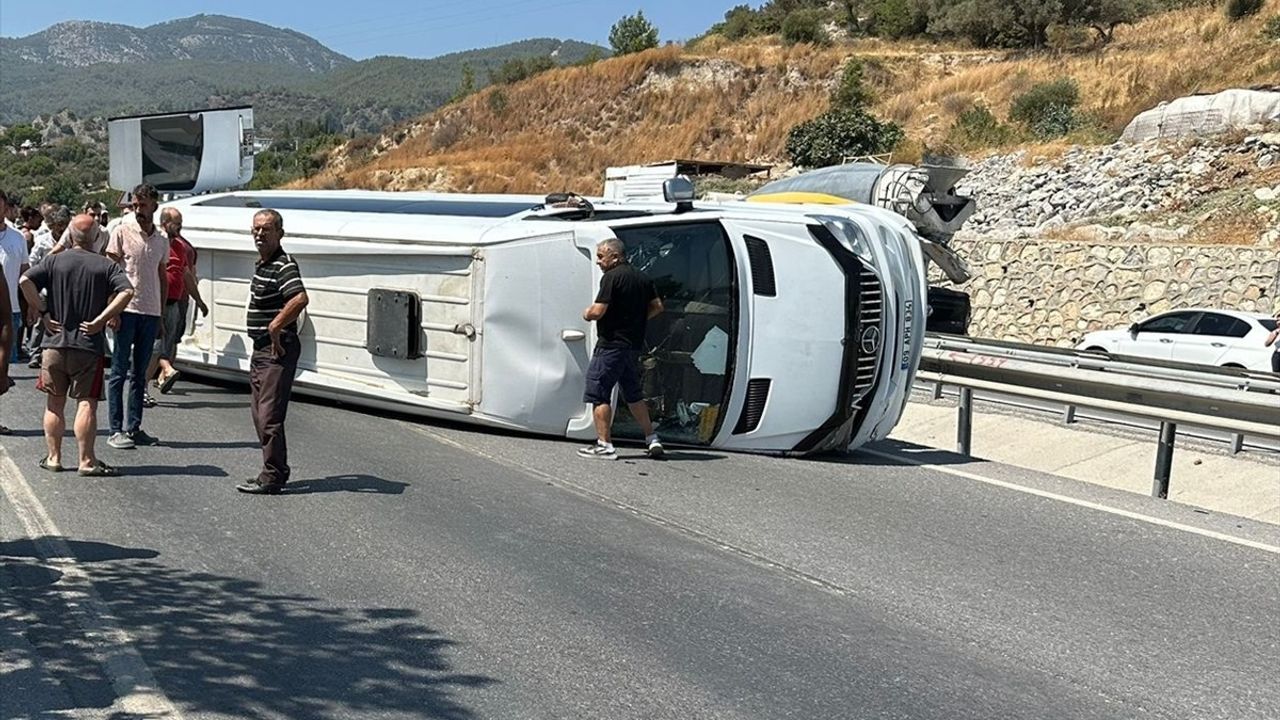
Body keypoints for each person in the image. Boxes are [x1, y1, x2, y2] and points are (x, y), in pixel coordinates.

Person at [20, 214, 134, 476]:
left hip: (54, 344)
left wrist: (43, 312)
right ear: (96, 237)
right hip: (87, 346)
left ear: (70, 235)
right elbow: (127, 291)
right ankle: (86, 461)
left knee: (54, 402)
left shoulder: (54, 261)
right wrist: (101, 320)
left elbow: (25, 280)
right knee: (86, 403)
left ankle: (54, 457)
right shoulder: (105, 266)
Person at [237, 209, 309, 495]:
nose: (259, 234)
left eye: (266, 229)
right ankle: (274, 469)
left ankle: (273, 475)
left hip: (276, 349)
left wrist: (275, 326)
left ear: (280, 233)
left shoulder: (283, 264)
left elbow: (299, 298)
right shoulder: (263, 264)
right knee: (258, 413)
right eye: (256, 229)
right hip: (260, 350)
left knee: (269, 415)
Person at [577, 238, 664, 460]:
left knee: (599, 392)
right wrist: (637, 321)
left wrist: (587, 313)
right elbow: (657, 307)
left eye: (600, 256)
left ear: (615, 256)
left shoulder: (611, 277)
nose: (598, 261)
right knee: (633, 393)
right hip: (632, 345)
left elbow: (598, 311)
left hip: (611, 344)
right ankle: (651, 437)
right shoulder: (643, 278)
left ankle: (604, 444)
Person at [104, 184, 168, 450]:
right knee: (119, 370)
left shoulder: (162, 239)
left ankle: (134, 427)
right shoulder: (122, 231)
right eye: (135, 205)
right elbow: (110, 271)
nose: (138, 210)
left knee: (140, 374)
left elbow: (162, 277)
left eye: (143, 205)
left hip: (150, 312)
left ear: (154, 205)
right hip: (126, 310)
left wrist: (161, 315)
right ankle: (115, 429)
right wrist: (112, 309)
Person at [144, 207, 207, 406]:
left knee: (166, 346)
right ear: (164, 223)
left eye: (180, 223)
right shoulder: (156, 243)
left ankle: (157, 379)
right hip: (155, 303)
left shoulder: (179, 247)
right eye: (176, 223)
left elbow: (186, 275)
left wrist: (199, 300)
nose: (180, 227)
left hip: (173, 304)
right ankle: (142, 388)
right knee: (154, 348)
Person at [26, 205, 71, 369]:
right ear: (53, 225)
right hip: (45, 287)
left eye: (65, 225)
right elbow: (33, 261)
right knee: (40, 321)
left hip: (64, 288)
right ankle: (35, 353)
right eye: (59, 225)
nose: (61, 229)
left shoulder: (71, 241)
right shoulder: (43, 241)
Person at [0, 190, 30, 365]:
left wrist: (31, 304)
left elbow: (24, 272)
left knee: (6, 363)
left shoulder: (17, 237)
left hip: (11, 309)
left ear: (5, 209)